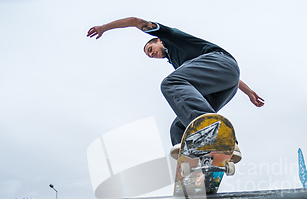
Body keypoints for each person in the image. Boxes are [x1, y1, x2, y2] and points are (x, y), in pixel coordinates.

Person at [87, 17, 264, 162]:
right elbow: (221, 74)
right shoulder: (181, 65)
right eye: (149, 55)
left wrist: (104, 27)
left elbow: (135, 21)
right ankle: (198, 162)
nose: (152, 54)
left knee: (170, 83)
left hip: (222, 63)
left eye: (151, 49)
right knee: (178, 126)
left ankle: (215, 135)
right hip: (225, 82)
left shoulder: (168, 36)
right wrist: (248, 92)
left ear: (158, 40)